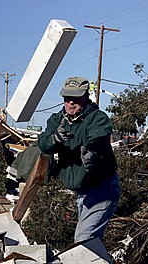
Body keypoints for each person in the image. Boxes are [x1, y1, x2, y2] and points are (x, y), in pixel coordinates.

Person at [38, 77, 120, 243]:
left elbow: (98, 138)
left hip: (101, 189)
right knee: (89, 241)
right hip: (82, 191)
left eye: (74, 99)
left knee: (84, 238)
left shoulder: (98, 118)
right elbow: (43, 143)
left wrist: (91, 152)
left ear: (85, 97)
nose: (70, 103)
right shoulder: (56, 119)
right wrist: (54, 138)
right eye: (67, 99)